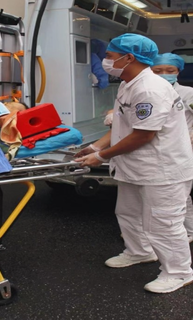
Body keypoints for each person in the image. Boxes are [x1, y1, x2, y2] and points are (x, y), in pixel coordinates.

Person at [74, 33, 193, 294]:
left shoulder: (149, 89)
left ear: (129, 58)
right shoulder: (129, 82)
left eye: (109, 56)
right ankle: (139, 251)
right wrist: (96, 146)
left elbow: (144, 134)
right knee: (128, 213)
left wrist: (101, 157)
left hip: (162, 169)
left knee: (164, 223)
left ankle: (179, 272)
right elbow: (123, 122)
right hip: (134, 166)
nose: (106, 61)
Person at [151, 53, 193, 242]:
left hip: (181, 149)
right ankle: (152, 231)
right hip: (154, 148)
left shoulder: (187, 93)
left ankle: (189, 230)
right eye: (157, 71)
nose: (164, 74)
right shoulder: (148, 91)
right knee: (155, 192)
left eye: (170, 71)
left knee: (180, 192)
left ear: (178, 72)